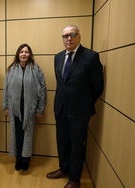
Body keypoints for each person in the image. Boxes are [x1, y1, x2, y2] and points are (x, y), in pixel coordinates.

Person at [46, 25, 104, 188]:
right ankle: (63, 168)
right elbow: (62, 84)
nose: (69, 39)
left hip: (80, 111)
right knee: (62, 141)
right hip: (61, 108)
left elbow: (98, 86)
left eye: (72, 35)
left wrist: (85, 103)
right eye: (65, 36)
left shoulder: (90, 57)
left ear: (79, 36)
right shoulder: (57, 57)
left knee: (77, 145)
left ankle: (74, 178)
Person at [3, 43, 46, 171]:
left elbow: (42, 90)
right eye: (21, 51)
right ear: (18, 54)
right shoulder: (11, 69)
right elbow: (5, 89)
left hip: (30, 108)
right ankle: (18, 159)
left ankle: (26, 159)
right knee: (17, 134)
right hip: (15, 107)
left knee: (27, 134)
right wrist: (6, 106)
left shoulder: (36, 70)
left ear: (30, 55)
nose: (24, 54)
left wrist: (40, 109)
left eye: (26, 52)